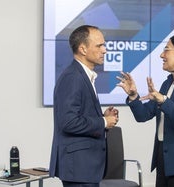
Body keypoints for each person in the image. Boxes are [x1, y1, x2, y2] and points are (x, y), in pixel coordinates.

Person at [117, 35, 174, 187]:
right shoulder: (167, 83)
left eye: (166, 50)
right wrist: (133, 96)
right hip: (164, 163)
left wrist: (164, 101)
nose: (162, 55)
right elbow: (143, 115)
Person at [49, 25, 119, 187]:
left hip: (85, 169)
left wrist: (103, 117)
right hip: (79, 169)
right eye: (99, 45)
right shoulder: (73, 77)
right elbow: (68, 122)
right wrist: (103, 122)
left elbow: (78, 116)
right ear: (83, 49)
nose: (105, 50)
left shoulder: (83, 75)